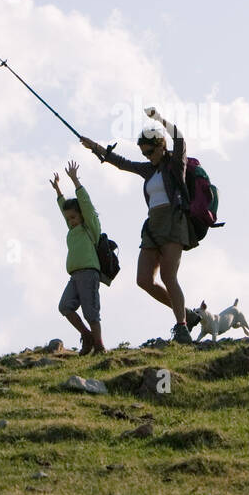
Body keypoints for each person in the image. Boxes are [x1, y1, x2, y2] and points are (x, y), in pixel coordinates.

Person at [81, 107, 195, 343]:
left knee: (168, 276)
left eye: (150, 151)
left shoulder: (175, 164)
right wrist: (95, 148)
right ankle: (188, 314)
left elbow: (180, 138)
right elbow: (121, 163)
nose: (147, 156)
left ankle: (182, 326)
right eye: (144, 153)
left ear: (162, 145)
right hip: (153, 226)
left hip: (174, 222)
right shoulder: (148, 169)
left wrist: (160, 120)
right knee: (143, 279)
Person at [52, 160, 106, 355]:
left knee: (91, 312)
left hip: (89, 273)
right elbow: (64, 210)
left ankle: (99, 346)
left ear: (82, 216)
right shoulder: (73, 230)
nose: (71, 221)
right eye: (69, 219)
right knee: (65, 306)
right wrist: (58, 191)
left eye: (74, 217)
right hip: (75, 275)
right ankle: (88, 336)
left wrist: (75, 181)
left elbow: (86, 205)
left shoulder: (89, 228)